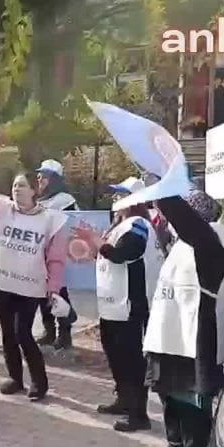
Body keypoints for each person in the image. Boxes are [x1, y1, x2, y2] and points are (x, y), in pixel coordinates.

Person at [144, 189, 224, 447]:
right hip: (170, 331)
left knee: (191, 400)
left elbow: (188, 224)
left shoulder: (212, 242)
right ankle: (175, 446)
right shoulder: (183, 243)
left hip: (195, 335)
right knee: (168, 390)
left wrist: (163, 190)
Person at [0, 165, 68, 401]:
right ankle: (15, 378)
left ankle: (39, 383)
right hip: (1, 282)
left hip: (30, 287)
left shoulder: (51, 219)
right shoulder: (1, 207)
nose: (16, 189)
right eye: (14, 185)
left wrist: (53, 289)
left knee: (23, 333)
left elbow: (56, 259)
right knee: (8, 333)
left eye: (22, 185)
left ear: (34, 190)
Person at [74, 178, 163, 432]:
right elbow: (105, 255)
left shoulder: (138, 225)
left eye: (122, 195)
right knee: (115, 354)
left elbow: (123, 253)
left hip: (129, 304)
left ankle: (138, 413)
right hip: (111, 305)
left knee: (131, 358)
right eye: (115, 195)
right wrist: (91, 244)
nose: (116, 199)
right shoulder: (119, 225)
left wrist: (95, 239)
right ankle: (123, 399)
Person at [35, 159, 79, 351]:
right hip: (39, 254)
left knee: (59, 293)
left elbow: (73, 225)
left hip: (57, 255)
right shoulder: (37, 200)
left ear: (55, 179)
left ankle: (65, 333)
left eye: (45, 176)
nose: (40, 179)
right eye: (39, 175)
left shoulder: (65, 200)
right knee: (41, 293)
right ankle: (49, 330)